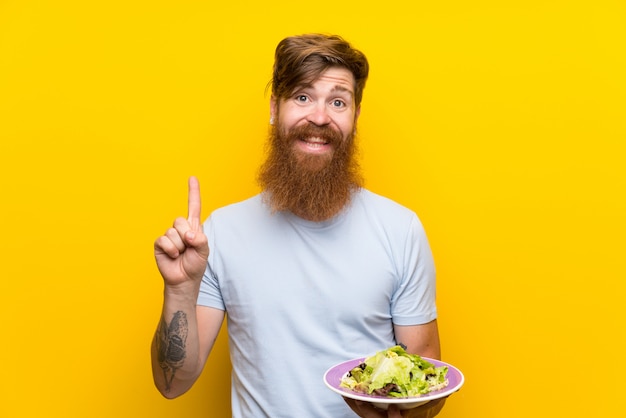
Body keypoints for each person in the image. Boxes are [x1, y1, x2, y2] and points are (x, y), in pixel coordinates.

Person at [151, 34, 446, 418]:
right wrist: (179, 289)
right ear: (275, 108)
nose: (319, 117)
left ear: (355, 117)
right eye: (302, 97)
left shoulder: (400, 230)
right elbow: (172, 383)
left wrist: (403, 411)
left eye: (338, 101)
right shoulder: (220, 234)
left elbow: (428, 383)